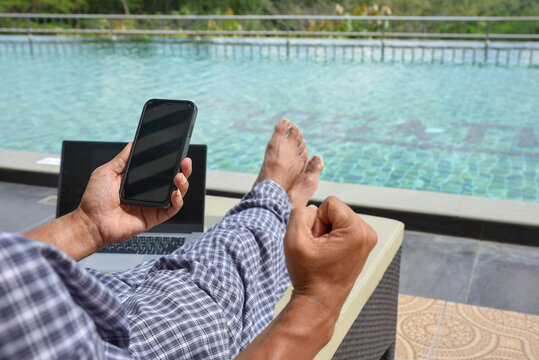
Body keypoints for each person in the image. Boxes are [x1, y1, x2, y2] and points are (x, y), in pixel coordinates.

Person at [0, 119, 377, 359]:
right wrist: (321, 299)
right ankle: (273, 198)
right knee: (211, 278)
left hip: (87, 298)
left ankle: (273, 203)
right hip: (125, 343)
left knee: (176, 264)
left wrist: (86, 226)